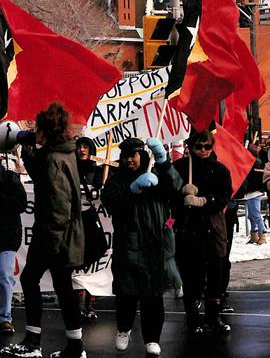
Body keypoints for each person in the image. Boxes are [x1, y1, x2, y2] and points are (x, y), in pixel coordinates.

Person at [0, 103, 86, 358]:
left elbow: (58, 204)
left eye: (37, 129)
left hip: (53, 236)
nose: (34, 131)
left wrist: (49, 241)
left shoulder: (54, 159)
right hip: (63, 236)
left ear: (45, 132)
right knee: (63, 286)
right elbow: (41, 176)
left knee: (29, 279)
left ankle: (33, 342)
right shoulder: (62, 153)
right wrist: (28, 149)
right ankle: (75, 346)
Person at [101, 137, 181, 357]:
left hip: (155, 246)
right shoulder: (116, 180)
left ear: (142, 155)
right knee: (126, 294)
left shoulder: (156, 174)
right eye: (125, 156)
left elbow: (176, 188)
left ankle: (152, 339)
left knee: (153, 297)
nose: (129, 160)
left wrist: (164, 163)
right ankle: (124, 328)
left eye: (133, 155)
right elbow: (111, 203)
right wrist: (132, 190)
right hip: (128, 246)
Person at [172, 130, 233, 335]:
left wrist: (204, 200)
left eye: (207, 146)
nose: (204, 150)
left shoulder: (220, 170)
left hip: (213, 228)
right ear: (190, 147)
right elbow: (166, 191)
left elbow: (225, 194)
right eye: (199, 146)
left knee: (216, 273)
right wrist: (181, 194)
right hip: (188, 230)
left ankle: (213, 317)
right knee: (192, 276)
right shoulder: (179, 168)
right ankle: (193, 319)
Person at [75, 136, 103, 320]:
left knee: (97, 254)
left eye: (86, 146)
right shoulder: (71, 168)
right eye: (79, 146)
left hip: (92, 220)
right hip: (75, 220)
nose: (82, 150)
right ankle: (78, 302)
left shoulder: (100, 171)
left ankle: (90, 301)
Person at [0, 162, 27, 334]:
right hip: (7, 236)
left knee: (4, 276)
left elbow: (21, 204)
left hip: (6, 238)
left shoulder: (10, 179)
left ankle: (4, 319)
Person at [245, 143, 267, 245]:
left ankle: (262, 234)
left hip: (254, 192)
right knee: (251, 215)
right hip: (251, 192)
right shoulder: (252, 162)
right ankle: (254, 235)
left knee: (256, 215)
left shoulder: (255, 163)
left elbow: (256, 179)